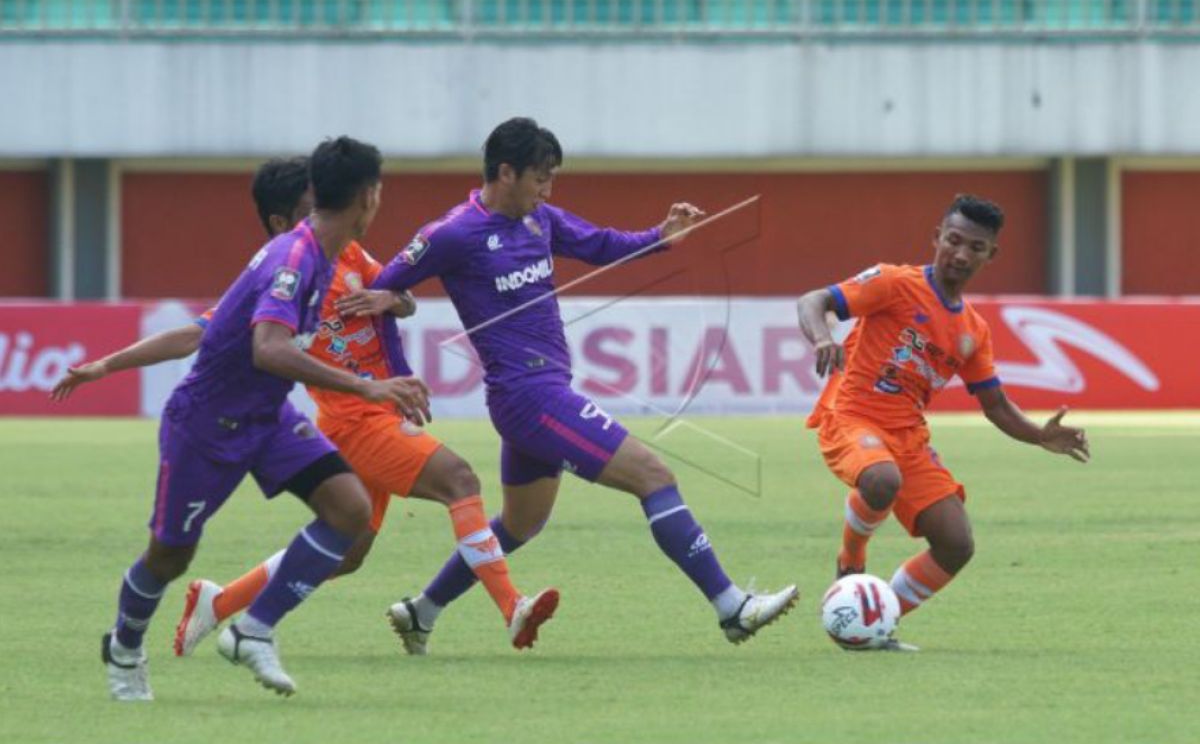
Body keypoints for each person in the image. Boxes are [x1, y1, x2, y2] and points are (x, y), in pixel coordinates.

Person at [57, 157, 556, 686]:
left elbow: (397, 294)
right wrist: (110, 364)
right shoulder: (288, 263)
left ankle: (237, 614)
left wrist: (392, 299)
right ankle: (127, 647)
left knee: (349, 532)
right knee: (170, 554)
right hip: (234, 422)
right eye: (308, 209)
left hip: (278, 415)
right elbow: (237, 342)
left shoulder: (338, 256)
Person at [364, 117, 797, 654]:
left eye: (552, 178)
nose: (548, 190)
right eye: (540, 178)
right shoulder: (450, 234)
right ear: (505, 172)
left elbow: (600, 244)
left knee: (521, 524)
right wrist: (395, 372)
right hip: (529, 396)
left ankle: (420, 611)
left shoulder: (539, 220)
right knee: (653, 474)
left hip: (535, 395)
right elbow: (377, 294)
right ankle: (731, 606)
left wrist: (660, 238)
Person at [796, 194, 1090, 650]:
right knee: (880, 479)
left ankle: (872, 620)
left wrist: (1038, 436)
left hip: (907, 438)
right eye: (953, 240)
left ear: (991, 255)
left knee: (956, 544)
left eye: (975, 247)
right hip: (852, 417)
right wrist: (821, 338)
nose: (961, 253)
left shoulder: (973, 331)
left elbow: (994, 405)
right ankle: (850, 561)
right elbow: (814, 300)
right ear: (936, 238)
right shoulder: (894, 283)